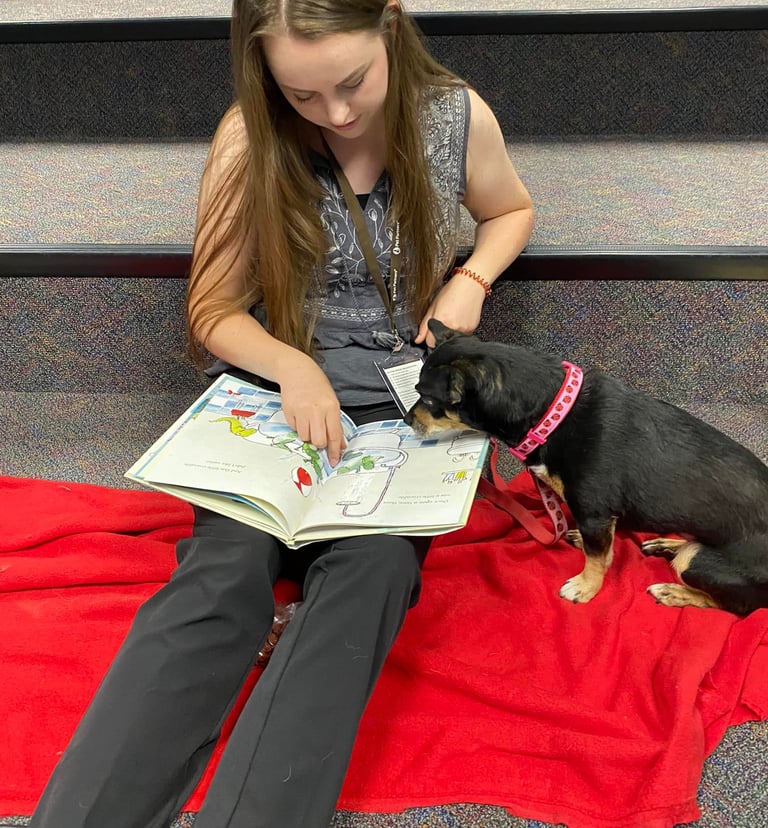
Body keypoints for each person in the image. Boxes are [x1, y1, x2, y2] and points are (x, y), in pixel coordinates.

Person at [30, 1, 533, 826]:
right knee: (220, 575)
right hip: (274, 398)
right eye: (303, 96)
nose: (335, 114)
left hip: (405, 410)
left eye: (352, 83)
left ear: (392, 28)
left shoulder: (456, 115)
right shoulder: (248, 137)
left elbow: (510, 212)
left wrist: (470, 279)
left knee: (374, 574)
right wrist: (292, 366)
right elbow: (215, 311)